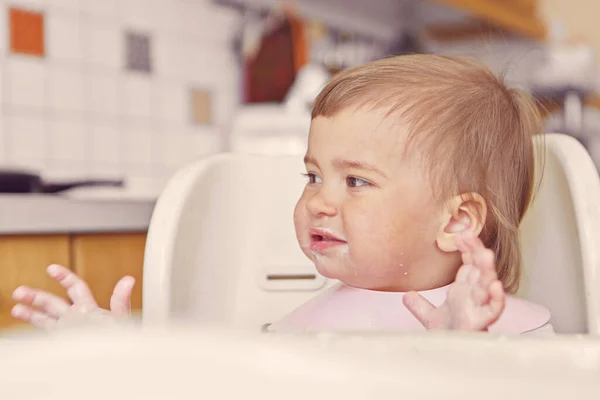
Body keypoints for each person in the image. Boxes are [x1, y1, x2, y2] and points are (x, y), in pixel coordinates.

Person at [10, 54, 553, 334]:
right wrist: (122, 352)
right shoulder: (303, 322)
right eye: (313, 176)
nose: (319, 201)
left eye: (356, 181)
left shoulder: (508, 330)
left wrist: (466, 358)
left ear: (457, 222)